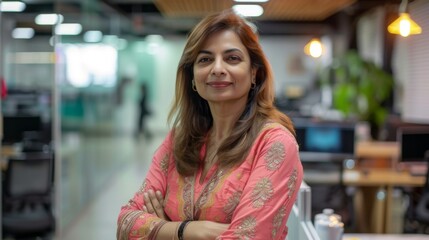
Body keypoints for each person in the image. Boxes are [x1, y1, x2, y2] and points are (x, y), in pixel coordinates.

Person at [117, 9, 303, 240]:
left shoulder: (275, 144)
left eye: (232, 58)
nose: (217, 69)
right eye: (205, 59)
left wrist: (160, 230)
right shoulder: (180, 138)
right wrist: (186, 230)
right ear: (192, 76)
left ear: (254, 72)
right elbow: (126, 222)